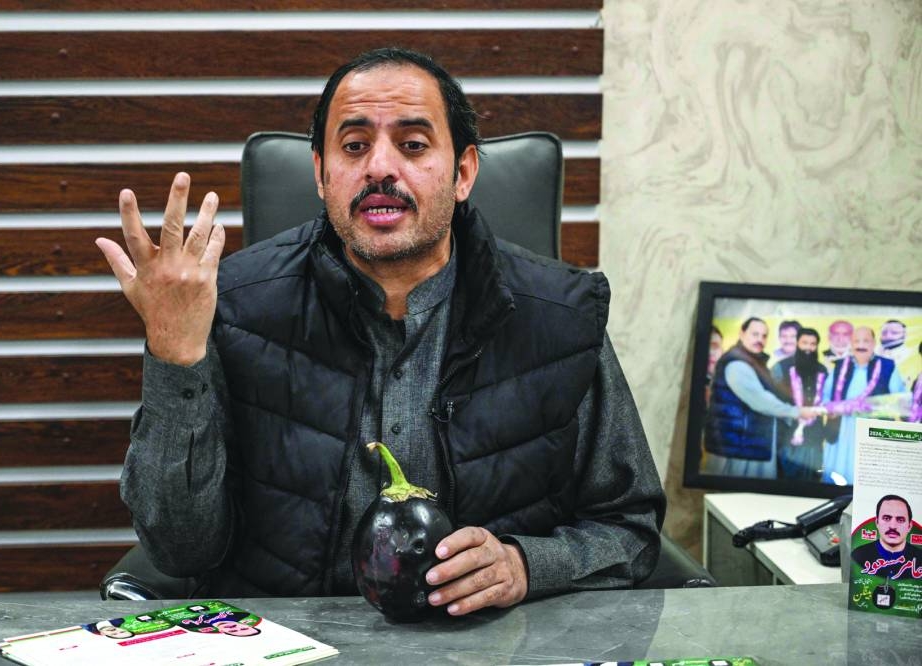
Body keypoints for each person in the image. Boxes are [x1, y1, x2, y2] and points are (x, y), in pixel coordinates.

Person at [97, 47, 665, 616]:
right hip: (283, 638)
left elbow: (630, 530)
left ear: (463, 173)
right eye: (354, 146)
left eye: (413, 145)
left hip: (492, 642)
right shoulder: (232, 306)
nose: (379, 168)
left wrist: (525, 566)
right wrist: (175, 351)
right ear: (320, 174)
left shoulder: (561, 314)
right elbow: (180, 550)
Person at [704, 317, 820, 479]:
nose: (760, 339)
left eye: (764, 336)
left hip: (750, 444)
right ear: (742, 333)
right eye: (755, 334)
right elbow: (762, 401)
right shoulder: (737, 364)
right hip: (740, 449)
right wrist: (797, 412)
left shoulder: (754, 361)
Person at [821, 326, 906, 485]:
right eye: (856, 341)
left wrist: (871, 407)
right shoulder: (839, 366)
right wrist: (830, 408)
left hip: (872, 432)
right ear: (851, 344)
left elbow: (901, 401)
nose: (861, 345)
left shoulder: (888, 366)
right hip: (841, 430)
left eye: (866, 341)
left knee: (868, 481)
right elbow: (825, 396)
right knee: (837, 479)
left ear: (874, 343)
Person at [771, 327, 828, 480]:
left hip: (814, 438)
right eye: (804, 343)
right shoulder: (781, 367)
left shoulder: (822, 370)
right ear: (797, 343)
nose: (808, 348)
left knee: (812, 482)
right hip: (786, 436)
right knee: (785, 482)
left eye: (813, 344)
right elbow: (770, 401)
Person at [851, 495, 921, 575]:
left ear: (909, 526)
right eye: (886, 518)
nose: (893, 526)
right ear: (877, 522)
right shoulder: (858, 555)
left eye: (900, 520)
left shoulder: (920, 558)